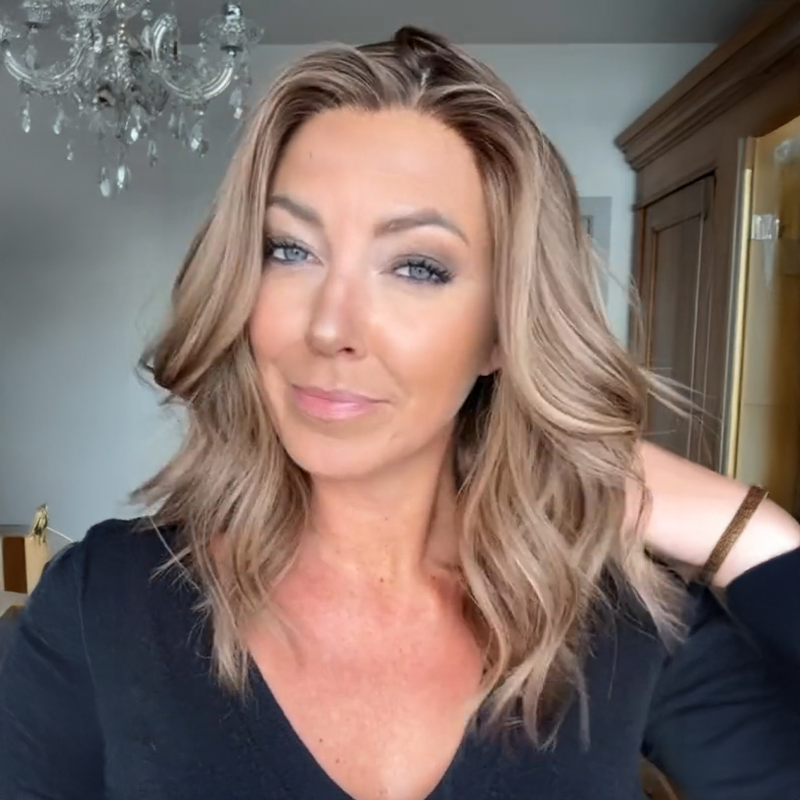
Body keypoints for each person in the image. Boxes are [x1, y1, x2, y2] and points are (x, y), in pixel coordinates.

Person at [1, 26, 799, 800]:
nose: (329, 328)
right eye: (290, 250)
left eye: (416, 266)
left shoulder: (622, 616)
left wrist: (746, 530)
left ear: (503, 332)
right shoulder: (104, 602)